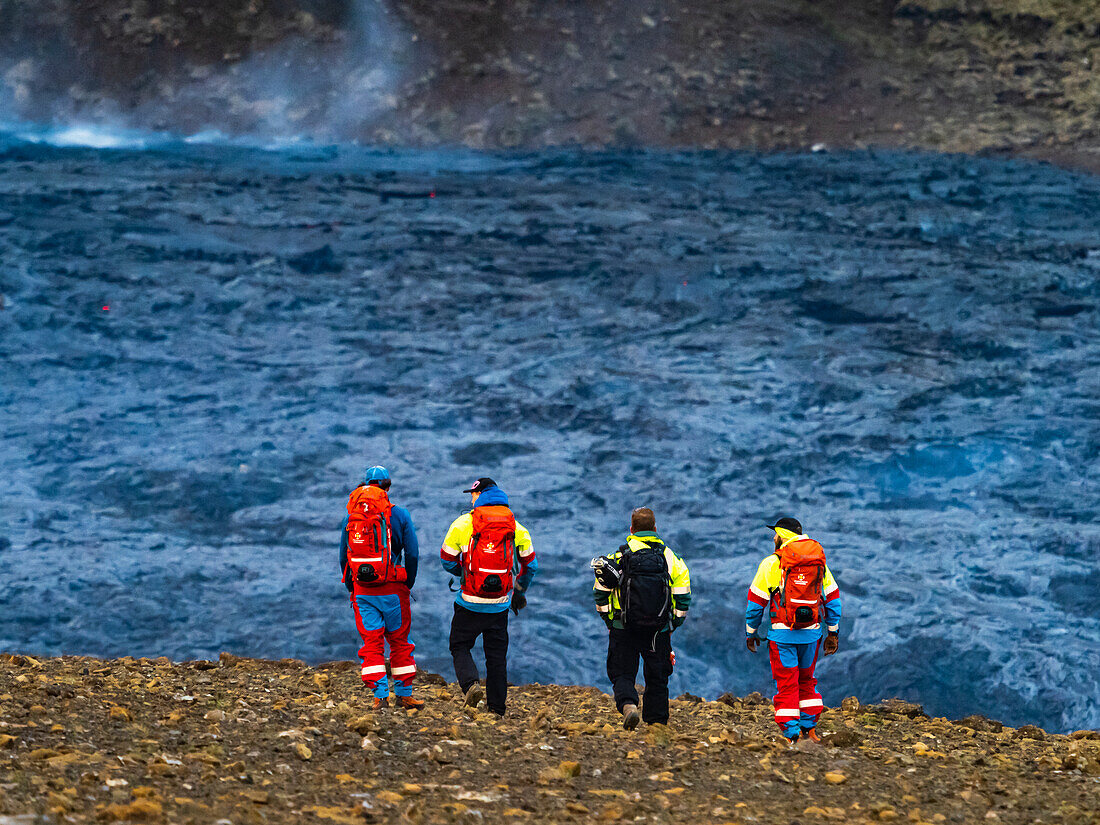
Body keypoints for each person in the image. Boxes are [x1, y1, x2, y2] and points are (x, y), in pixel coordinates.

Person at [440, 477, 537, 717]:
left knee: (459, 645)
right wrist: (519, 591)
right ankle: (497, 709)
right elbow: (531, 565)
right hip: (499, 604)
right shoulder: (516, 526)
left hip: (469, 602)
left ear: (481, 495)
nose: (471, 498)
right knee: (496, 658)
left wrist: (465, 575)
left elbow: (446, 559)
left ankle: (471, 684)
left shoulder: (463, 523)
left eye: (473, 494)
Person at [591, 507, 691, 730]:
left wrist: (610, 621)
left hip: (623, 626)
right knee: (657, 676)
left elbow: (600, 592)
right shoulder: (671, 558)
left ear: (631, 530)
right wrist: (672, 624)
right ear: (655, 529)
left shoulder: (618, 557)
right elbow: (683, 596)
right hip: (658, 630)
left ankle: (628, 705)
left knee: (622, 671)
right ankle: (656, 725)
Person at [745, 517, 842, 744]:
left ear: (781, 535)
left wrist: (751, 633)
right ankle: (810, 730)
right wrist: (833, 633)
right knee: (807, 680)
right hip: (812, 634)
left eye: (775, 534)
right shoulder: (818, 563)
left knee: (787, 683)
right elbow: (833, 600)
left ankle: (791, 735)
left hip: (782, 636)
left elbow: (755, 604)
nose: (773, 538)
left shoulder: (771, 564)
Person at [340, 466, 422, 710]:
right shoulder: (401, 515)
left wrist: (351, 587)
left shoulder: (351, 516)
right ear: (388, 487)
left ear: (365, 486)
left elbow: (344, 557)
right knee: (399, 641)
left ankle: (379, 695)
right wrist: (408, 583)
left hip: (363, 590)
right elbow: (413, 554)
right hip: (395, 590)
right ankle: (405, 694)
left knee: (372, 643)